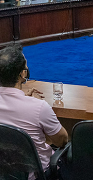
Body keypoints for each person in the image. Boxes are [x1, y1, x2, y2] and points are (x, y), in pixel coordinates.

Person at [0, 45, 69, 174]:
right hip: (37, 174)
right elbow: (62, 140)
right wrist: (36, 102)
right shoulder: (39, 107)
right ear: (22, 73)